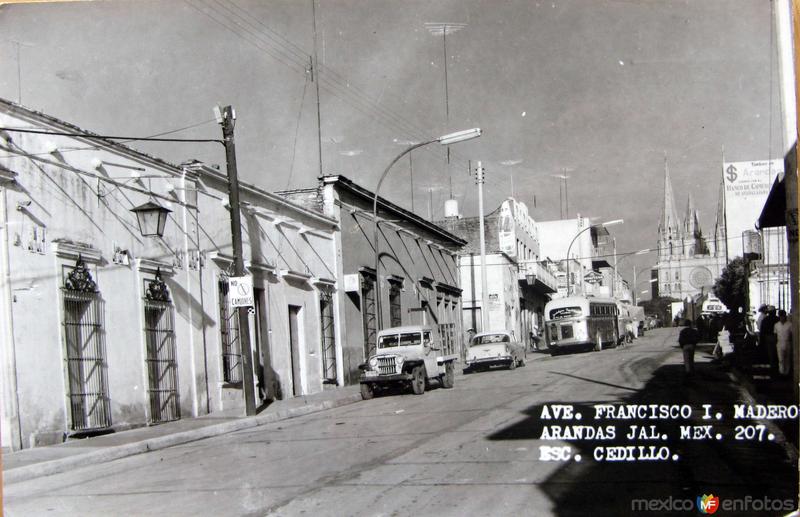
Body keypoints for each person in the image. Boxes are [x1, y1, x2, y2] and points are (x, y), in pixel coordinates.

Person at [760, 306, 779, 373]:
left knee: (770, 353)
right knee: (777, 353)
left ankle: (772, 368)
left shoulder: (765, 320)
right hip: (777, 338)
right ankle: (777, 368)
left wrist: (761, 340)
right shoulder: (777, 319)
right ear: (774, 312)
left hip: (768, 338)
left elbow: (762, 331)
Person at [774, 310, 793, 377]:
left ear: (785, 316)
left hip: (787, 342)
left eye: (783, 316)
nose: (782, 318)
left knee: (787, 359)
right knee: (781, 359)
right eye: (781, 316)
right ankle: (781, 373)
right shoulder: (776, 325)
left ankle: (787, 373)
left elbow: (791, 335)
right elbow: (775, 335)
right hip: (779, 343)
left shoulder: (790, 325)